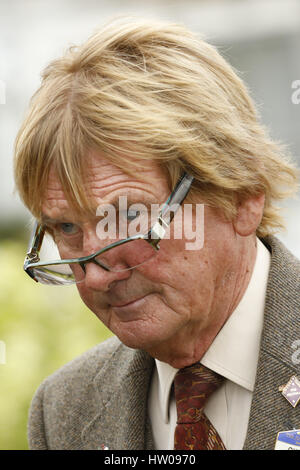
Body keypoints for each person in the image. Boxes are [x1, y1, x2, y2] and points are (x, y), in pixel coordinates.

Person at [14, 17, 300, 450]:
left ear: (243, 195)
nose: (94, 275)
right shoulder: (63, 412)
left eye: (129, 215)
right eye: (67, 227)